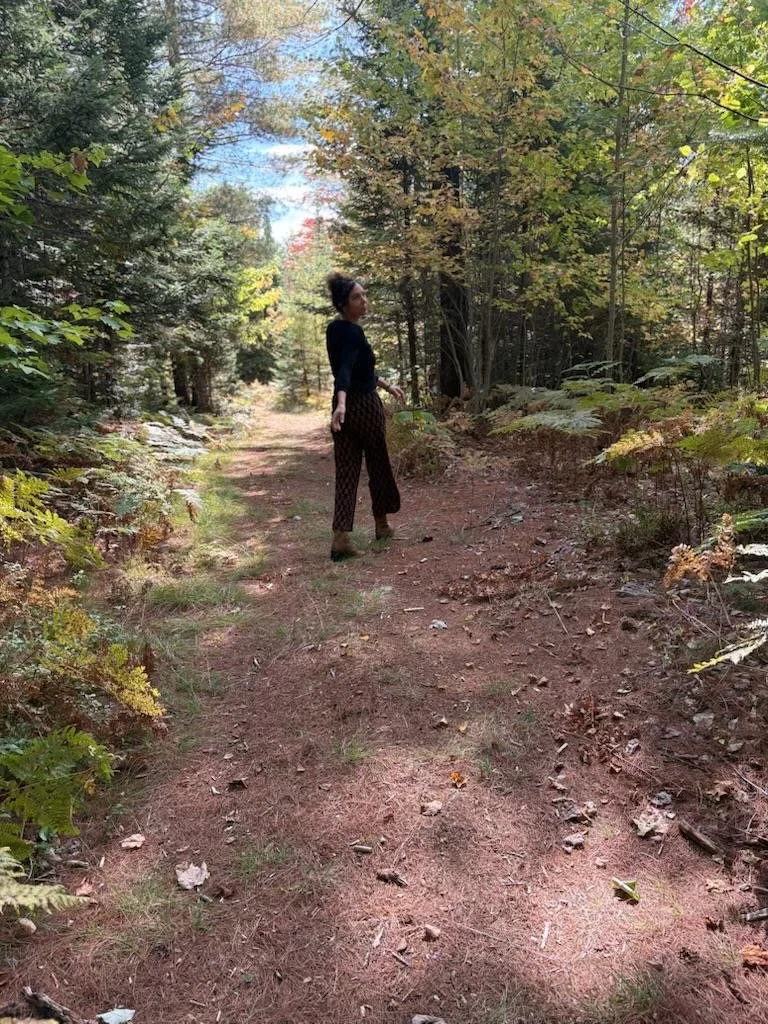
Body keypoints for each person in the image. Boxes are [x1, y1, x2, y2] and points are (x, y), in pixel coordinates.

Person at [326, 273, 405, 561]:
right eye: (356, 297)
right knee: (378, 464)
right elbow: (346, 370)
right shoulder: (354, 332)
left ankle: (340, 539)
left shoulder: (334, 330)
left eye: (364, 295)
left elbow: (357, 369)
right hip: (362, 406)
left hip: (344, 407)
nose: (364, 301)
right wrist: (343, 403)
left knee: (346, 471)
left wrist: (386, 385)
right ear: (344, 304)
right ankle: (381, 525)